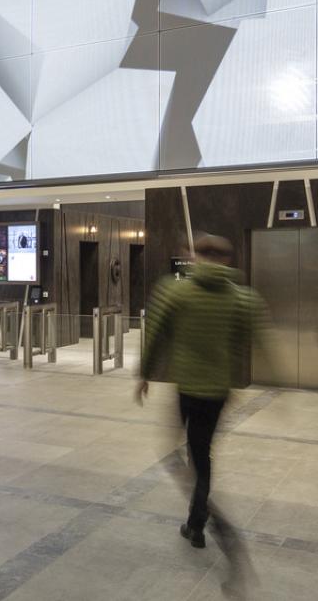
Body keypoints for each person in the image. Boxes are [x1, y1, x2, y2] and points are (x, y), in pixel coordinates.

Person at [136, 233, 263, 557]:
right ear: (227, 260)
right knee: (201, 454)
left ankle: (206, 518)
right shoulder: (242, 297)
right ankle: (196, 521)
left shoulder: (175, 289)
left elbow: (154, 335)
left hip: (187, 389)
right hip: (218, 391)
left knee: (172, 452)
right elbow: (249, 340)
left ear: (197, 257)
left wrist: (144, 374)